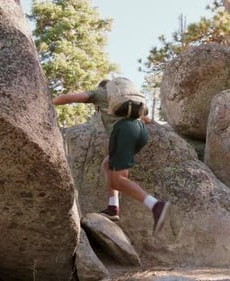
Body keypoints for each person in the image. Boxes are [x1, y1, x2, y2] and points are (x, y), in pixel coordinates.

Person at [53, 80, 170, 234]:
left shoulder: (100, 93)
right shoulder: (128, 101)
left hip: (123, 131)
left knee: (117, 180)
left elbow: (70, 98)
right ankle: (113, 208)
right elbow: (147, 119)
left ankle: (156, 205)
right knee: (107, 165)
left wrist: (48, 102)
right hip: (141, 132)